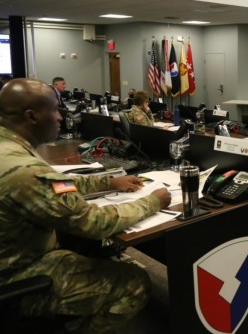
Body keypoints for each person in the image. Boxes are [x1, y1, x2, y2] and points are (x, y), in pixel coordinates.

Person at [0, 78, 172, 332]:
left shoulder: (10, 150)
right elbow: (95, 223)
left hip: (12, 257)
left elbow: (56, 184)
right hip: (18, 276)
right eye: (54, 110)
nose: (60, 117)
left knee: (80, 246)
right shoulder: (24, 169)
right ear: (32, 116)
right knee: (134, 283)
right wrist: (153, 201)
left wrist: (108, 182)